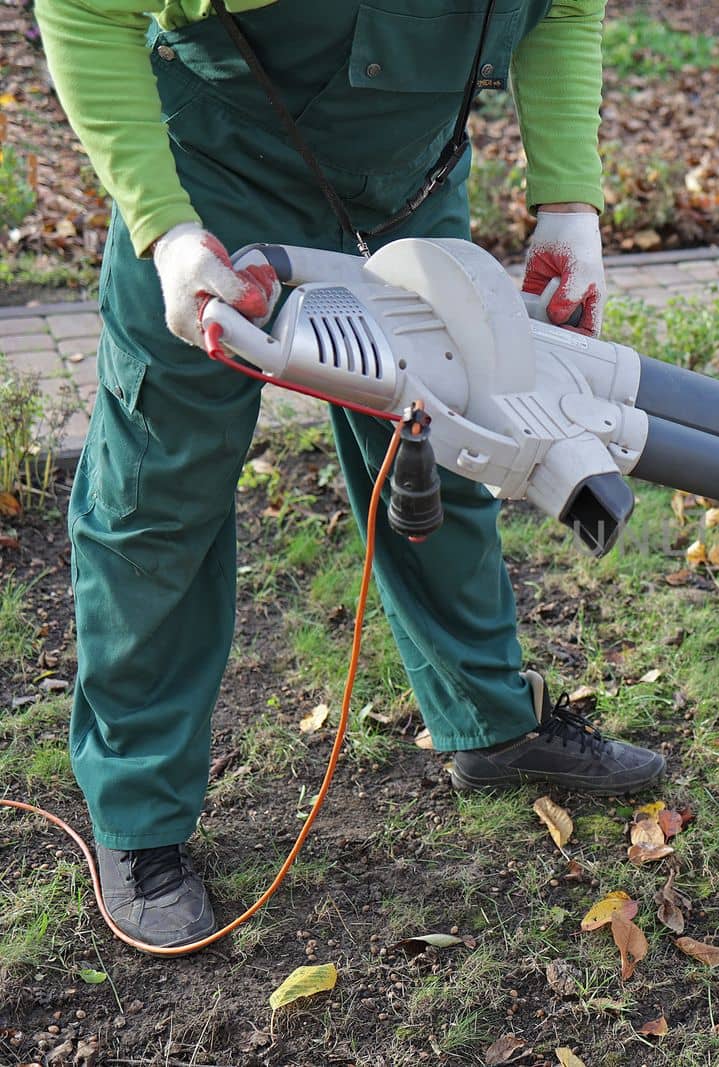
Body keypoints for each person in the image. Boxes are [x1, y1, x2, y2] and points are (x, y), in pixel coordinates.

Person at [35, 0, 665, 951]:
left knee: (452, 450)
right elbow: (84, 8)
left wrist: (570, 205)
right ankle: (140, 821)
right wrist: (166, 231)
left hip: (410, 187)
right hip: (216, 178)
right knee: (161, 494)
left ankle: (491, 724)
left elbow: (564, 8)